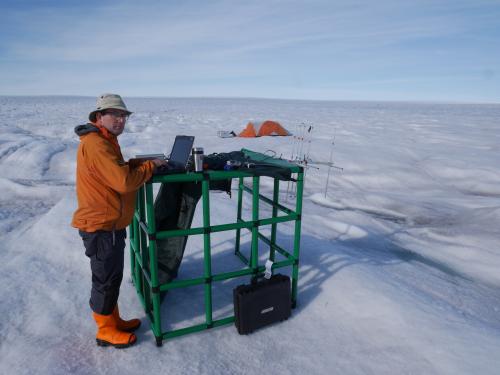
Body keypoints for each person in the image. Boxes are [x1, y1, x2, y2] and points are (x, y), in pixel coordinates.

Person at [72, 94, 166, 348]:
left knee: (111, 276)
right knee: (105, 279)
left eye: (123, 115)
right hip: (102, 226)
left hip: (109, 224)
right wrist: (149, 168)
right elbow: (123, 182)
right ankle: (104, 329)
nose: (120, 120)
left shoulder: (105, 140)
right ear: (99, 116)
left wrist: (138, 163)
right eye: (114, 114)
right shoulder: (97, 144)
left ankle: (113, 321)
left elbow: (115, 170)